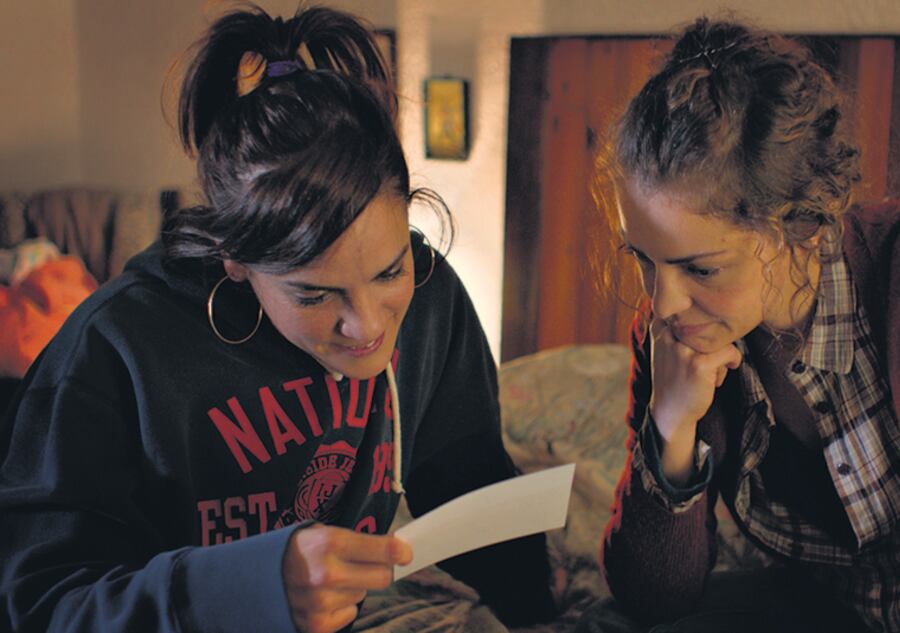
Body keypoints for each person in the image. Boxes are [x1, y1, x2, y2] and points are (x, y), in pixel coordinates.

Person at [0, 6, 556, 633]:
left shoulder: (432, 298)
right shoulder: (115, 346)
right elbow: (37, 604)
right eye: (315, 295)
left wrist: (541, 615)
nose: (367, 326)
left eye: (388, 272)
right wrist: (240, 589)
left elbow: (470, 484)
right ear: (236, 262)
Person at [581, 17, 900, 633]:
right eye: (643, 259)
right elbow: (653, 599)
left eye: (701, 268)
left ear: (799, 223)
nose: (663, 303)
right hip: (828, 609)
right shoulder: (672, 339)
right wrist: (670, 427)